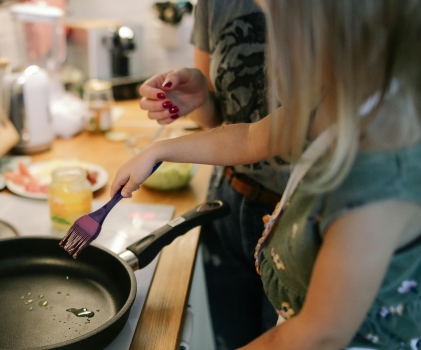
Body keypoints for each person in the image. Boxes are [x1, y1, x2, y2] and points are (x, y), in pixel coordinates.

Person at [114, 0, 421, 348]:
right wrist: (158, 151)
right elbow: (248, 137)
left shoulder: (378, 182)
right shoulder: (341, 101)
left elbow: (317, 336)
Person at [139, 0, 282, 348]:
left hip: (298, 213)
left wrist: (159, 151)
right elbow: (226, 122)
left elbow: (261, 137)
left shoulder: (334, 14)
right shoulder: (214, 4)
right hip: (229, 203)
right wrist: (200, 98)